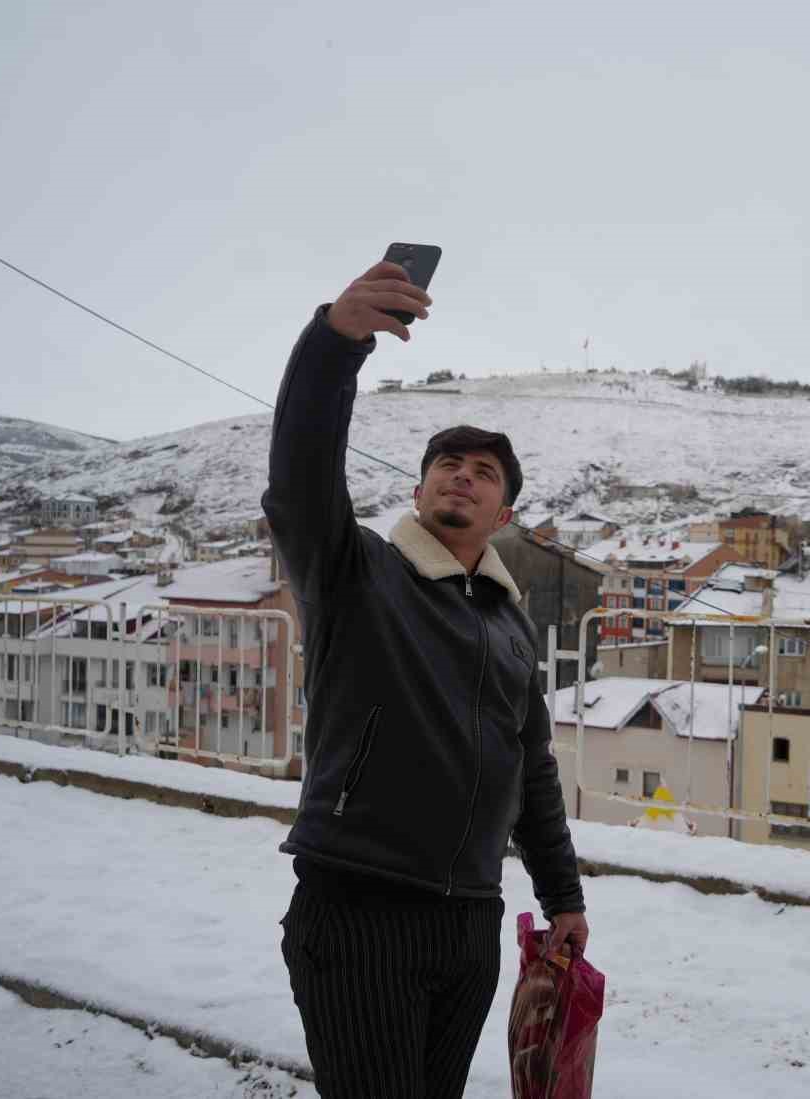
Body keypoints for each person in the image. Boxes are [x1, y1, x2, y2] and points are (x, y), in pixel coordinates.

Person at [263, 259, 589, 1098]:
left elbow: (533, 771)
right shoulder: (355, 571)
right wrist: (334, 346)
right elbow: (299, 482)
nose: (462, 475)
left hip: (469, 921)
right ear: (417, 487)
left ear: (504, 514)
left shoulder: (509, 625)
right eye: (447, 461)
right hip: (359, 907)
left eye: (483, 472)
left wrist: (562, 894)